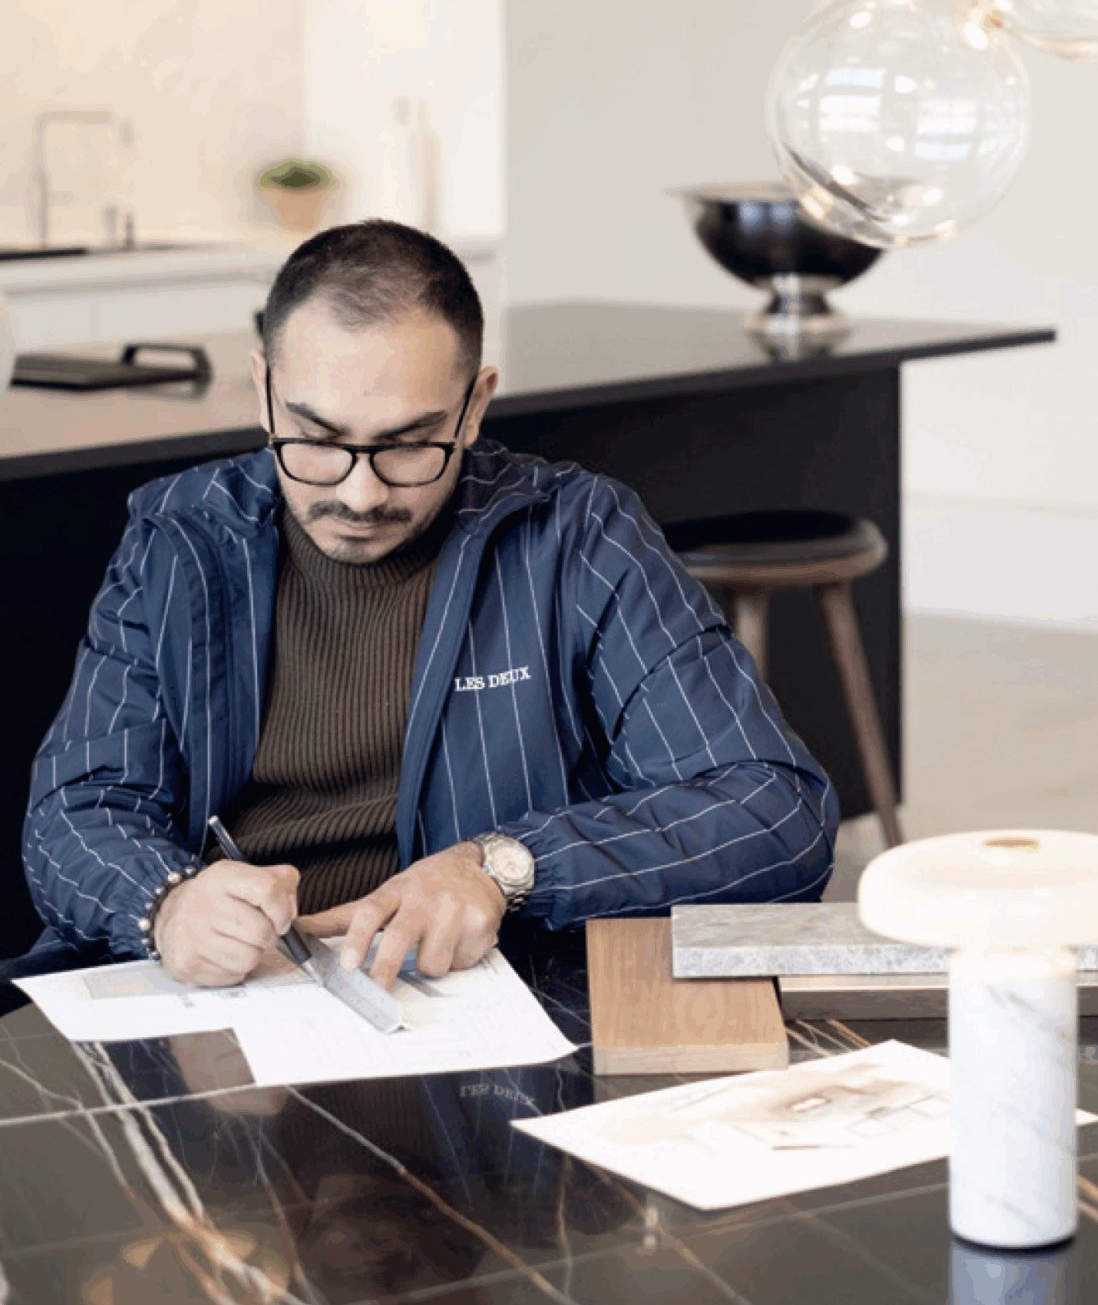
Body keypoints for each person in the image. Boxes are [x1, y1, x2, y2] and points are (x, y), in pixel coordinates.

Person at [20, 220, 837, 993]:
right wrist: (166, 903)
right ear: (264, 391)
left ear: (475, 406)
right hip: (231, 996)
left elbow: (775, 813)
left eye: (409, 444)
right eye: (318, 440)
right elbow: (75, 811)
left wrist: (506, 868)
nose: (360, 494)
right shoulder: (180, 538)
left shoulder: (578, 537)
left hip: (487, 999)